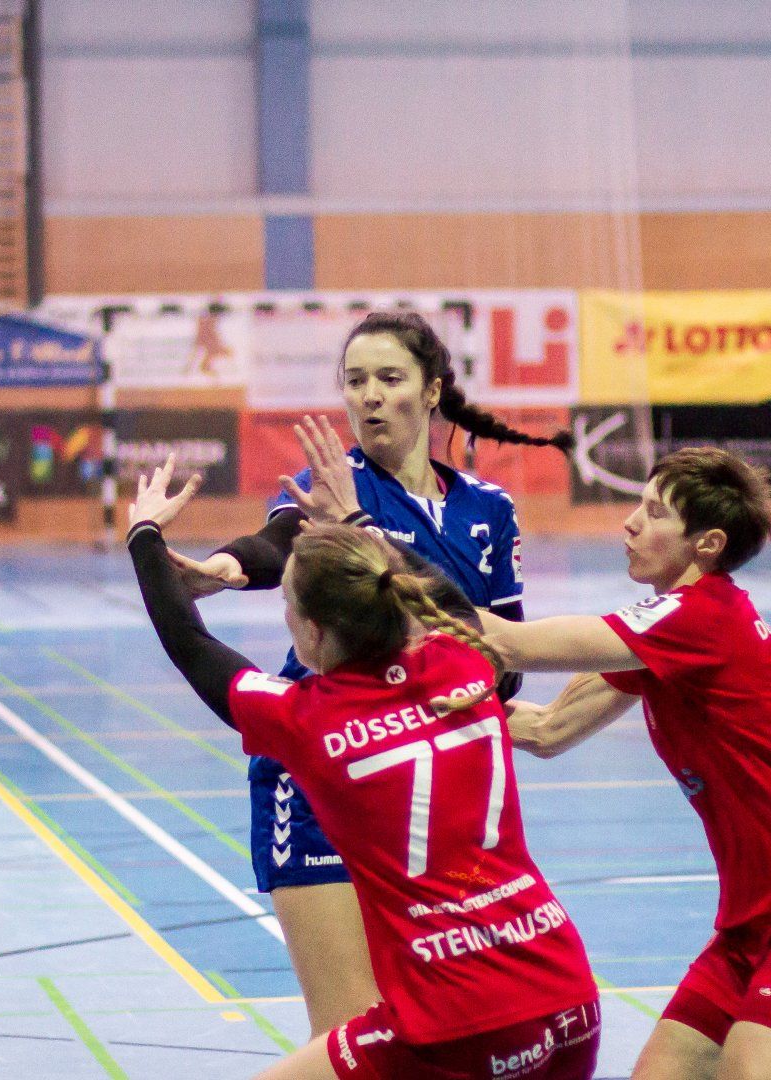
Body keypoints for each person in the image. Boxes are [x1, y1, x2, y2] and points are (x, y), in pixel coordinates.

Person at [123, 456, 601, 1080]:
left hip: (453, 1025)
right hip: (567, 999)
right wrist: (358, 523)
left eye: (288, 605)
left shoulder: (310, 720)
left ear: (315, 633)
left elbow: (192, 644)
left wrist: (144, 536)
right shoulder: (462, 661)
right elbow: (452, 604)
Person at [167, 311, 574, 1034]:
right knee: (350, 1030)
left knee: (435, 1017)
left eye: (389, 378)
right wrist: (223, 569)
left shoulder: (488, 509)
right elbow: (279, 540)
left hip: (432, 792)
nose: (370, 396)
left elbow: (504, 662)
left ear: (432, 390)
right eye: (356, 381)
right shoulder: (333, 485)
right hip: (326, 771)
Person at [471, 448, 771, 1080]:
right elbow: (546, 730)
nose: (629, 523)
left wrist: (377, 556)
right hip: (749, 925)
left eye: (654, 513)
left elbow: (507, 643)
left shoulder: (699, 617)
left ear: (708, 543)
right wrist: (434, 705)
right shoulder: (663, 641)